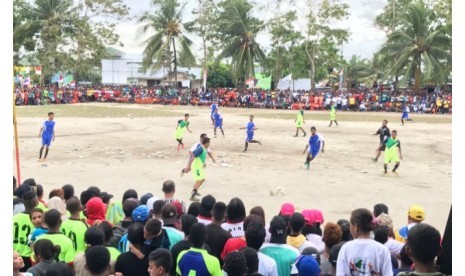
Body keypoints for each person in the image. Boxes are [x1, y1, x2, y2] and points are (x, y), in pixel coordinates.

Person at [336, 208, 393, 276]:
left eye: (350, 225)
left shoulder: (346, 249)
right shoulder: (383, 250)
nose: (350, 228)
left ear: (356, 227)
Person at [13, 191, 37, 271]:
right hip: (29, 257)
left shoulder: (14, 218)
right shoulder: (37, 220)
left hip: (14, 257)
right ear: (36, 202)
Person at [205, 202, 232, 266]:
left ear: (211, 212)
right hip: (218, 268)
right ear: (225, 216)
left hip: (204, 266)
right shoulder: (227, 235)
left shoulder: (203, 230)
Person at [185, 137, 211, 201]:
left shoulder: (204, 148)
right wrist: (189, 165)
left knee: (203, 179)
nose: (209, 144)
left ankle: (195, 190)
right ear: (206, 143)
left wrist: (203, 163)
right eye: (209, 143)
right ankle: (192, 196)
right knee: (199, 179)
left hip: (199, 166)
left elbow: (201, 157)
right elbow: (193, 156)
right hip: (196, 166)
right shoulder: (200, 149)